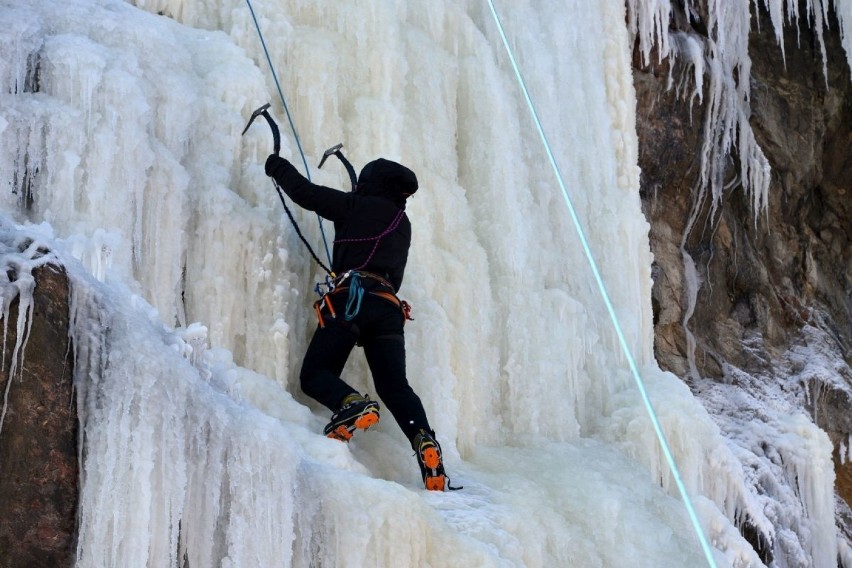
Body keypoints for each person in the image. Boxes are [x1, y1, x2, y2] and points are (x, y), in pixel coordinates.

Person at [265, 153, 449, 491]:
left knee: (315, 375)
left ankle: (352, 405)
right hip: (389, 309)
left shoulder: (355, 206)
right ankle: (423, 438)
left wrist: (275, 165)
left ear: (369, 183)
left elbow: (305, 193)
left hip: (353, 300)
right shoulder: (401, 224)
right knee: (395, 386)